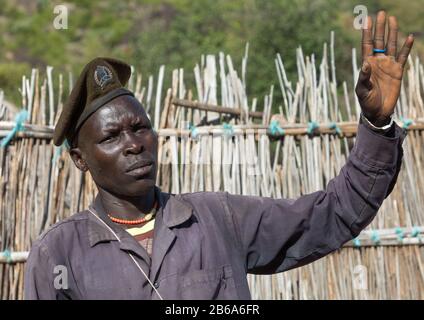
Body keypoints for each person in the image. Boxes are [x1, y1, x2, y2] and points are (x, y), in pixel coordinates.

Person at [24, 11, 414, 299]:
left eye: (140, 128)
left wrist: (376, 125)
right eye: (111, 136)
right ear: (80, 159)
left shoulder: (217, 219)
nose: (133, 143)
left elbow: (332, 215)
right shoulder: (58, 254)